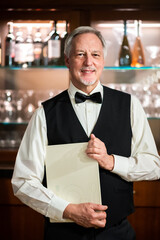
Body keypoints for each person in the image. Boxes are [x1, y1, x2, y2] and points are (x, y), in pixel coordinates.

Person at [11, 26, 160, 240]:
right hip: (63, 234)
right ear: (67, 60)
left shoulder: (130, 105)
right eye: (80, 54)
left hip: (117, 233)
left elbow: (154, 166)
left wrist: (111, 161)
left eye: (95, 55)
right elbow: (23, 181)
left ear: (102, 61)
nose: (88, 62)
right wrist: (68, 210)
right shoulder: (43, 114)